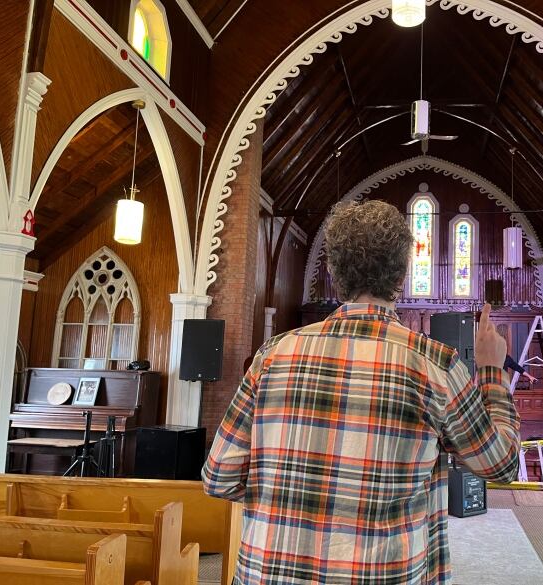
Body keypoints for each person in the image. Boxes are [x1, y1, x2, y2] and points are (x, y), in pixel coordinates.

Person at [202, 200, 520, 585]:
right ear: (403, 273)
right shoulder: (434, 365)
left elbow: (219, 476)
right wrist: (490, 371)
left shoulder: (273, 355)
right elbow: (500, 464)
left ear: (334, 273)